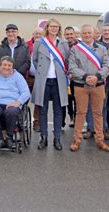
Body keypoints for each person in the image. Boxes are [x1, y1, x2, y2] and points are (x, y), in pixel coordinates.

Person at [68, 24, 109, 152]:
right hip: (81, 85)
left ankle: (100, 140)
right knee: (81, 113)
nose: (87, 35)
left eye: (89, 33)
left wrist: (97, 76)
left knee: (98, 113)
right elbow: (72, 67)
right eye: (85, 33)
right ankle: (76, 140)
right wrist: (86, 76)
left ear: (94, 34)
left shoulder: (102, 49)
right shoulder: (75, 49)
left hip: (98, 85)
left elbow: (107, 66)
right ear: (81, 35)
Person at [31, 18, 69, 151]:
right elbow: (35, 60)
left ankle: (57, 138)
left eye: (56, 27)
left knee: (58, 110)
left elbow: (67, 61)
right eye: (52, 26)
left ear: (59, 29)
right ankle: (44, 137)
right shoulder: (39, 42)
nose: (54, 29)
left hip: (59, 81)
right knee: (43, 110)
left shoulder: (64, 43)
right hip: (44, 81)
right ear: (47, 28)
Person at [0, 56, 31, 148]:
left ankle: (9, 136)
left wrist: (17, 102)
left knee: (12, 112)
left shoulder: (18, 76)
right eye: (4, 65)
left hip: (12, 103)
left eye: (9, 65)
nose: (6, 67)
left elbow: (26, 92)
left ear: (12, 67)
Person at [26, 27, 43, 132]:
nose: (37, 36)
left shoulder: (45, 45)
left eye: (40, 34)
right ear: (32, 34)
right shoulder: (26, 44)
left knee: (38, 101)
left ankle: (36, 122)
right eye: (36, 33)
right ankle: (20, 121)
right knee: (23, 99)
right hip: (28, 77)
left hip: (39, 78)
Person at [63, 26, 77, 128]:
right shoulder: (61, 45)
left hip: (76, 78)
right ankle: (68, 118)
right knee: (66, 100)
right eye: (67, 34)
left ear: (74, 34)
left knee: (76, 99)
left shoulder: (80, 46)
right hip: (64, 78)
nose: (69, 36)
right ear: (64, 35)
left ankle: (76, 119)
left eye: (71, 34)